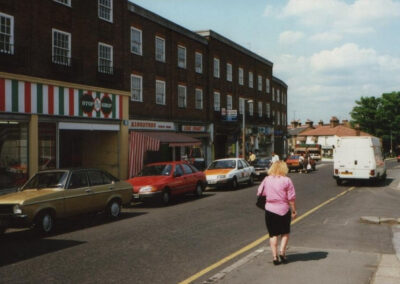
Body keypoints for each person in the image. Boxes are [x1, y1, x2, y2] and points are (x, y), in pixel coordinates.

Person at [256, 161, 297, 265]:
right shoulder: (287, 180)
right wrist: (293, 211)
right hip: (284, 209)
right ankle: (282, 253)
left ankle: (274, 257)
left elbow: (260, 192)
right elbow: (291, 198)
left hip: (270, 210)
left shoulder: (266, 179)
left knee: (273, 234)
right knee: (285, 232)